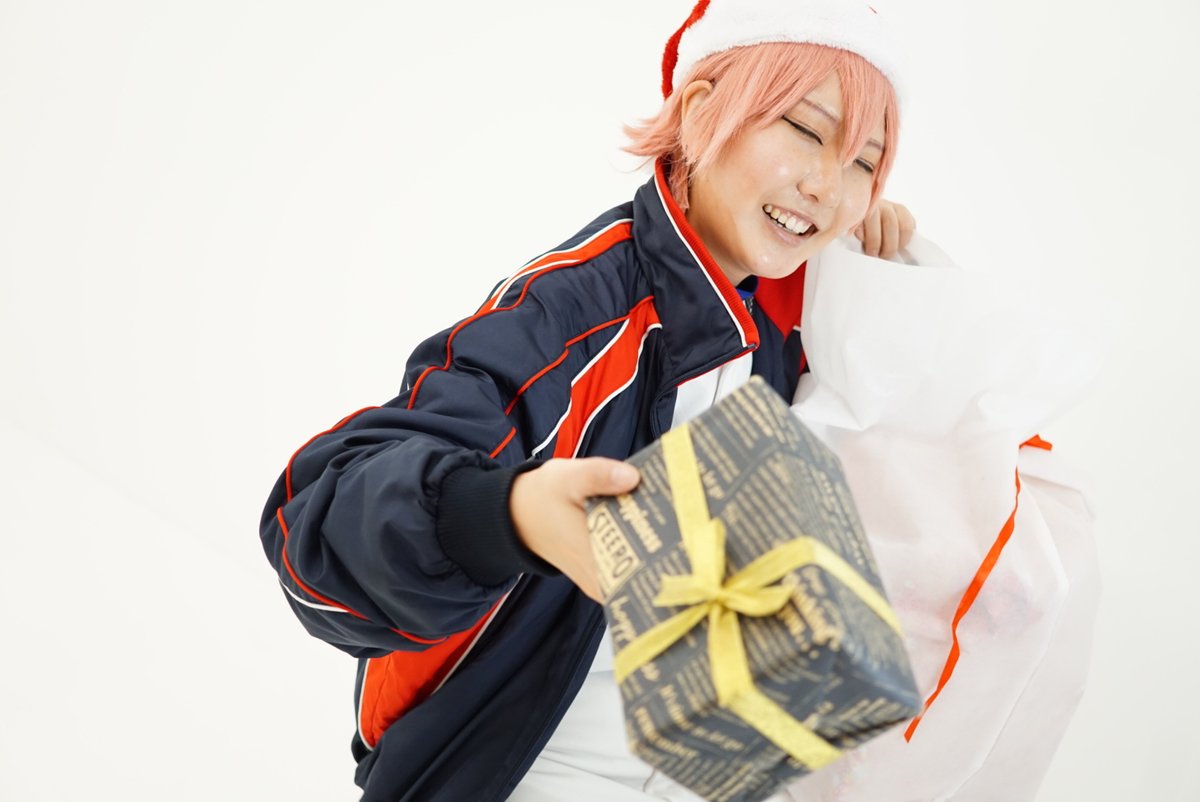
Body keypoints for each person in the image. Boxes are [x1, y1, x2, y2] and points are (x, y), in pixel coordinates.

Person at [259, 1, 911, 799]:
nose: (827, 185)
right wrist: (508, 516)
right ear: (702, 112)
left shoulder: (790, 316)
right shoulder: (572, 314)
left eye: (863, 162)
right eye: (807, 130)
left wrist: (873, 275)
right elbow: (314, 529)